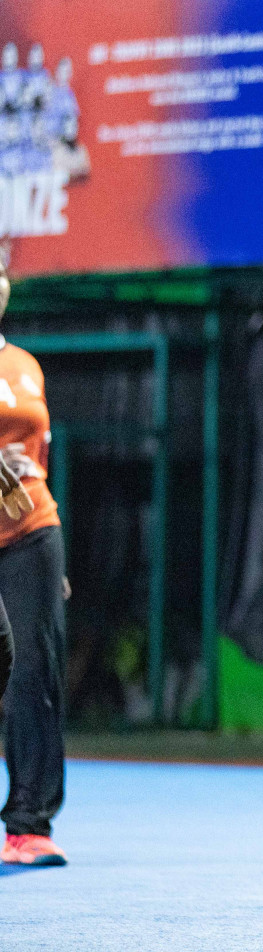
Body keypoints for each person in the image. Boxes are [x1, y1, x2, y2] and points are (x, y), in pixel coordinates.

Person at [0, 252, 70, 868]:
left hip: (30, 533)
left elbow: (36, 457)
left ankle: (28, 823)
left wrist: (53, 569)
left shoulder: (24, 365)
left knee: (33, 672)